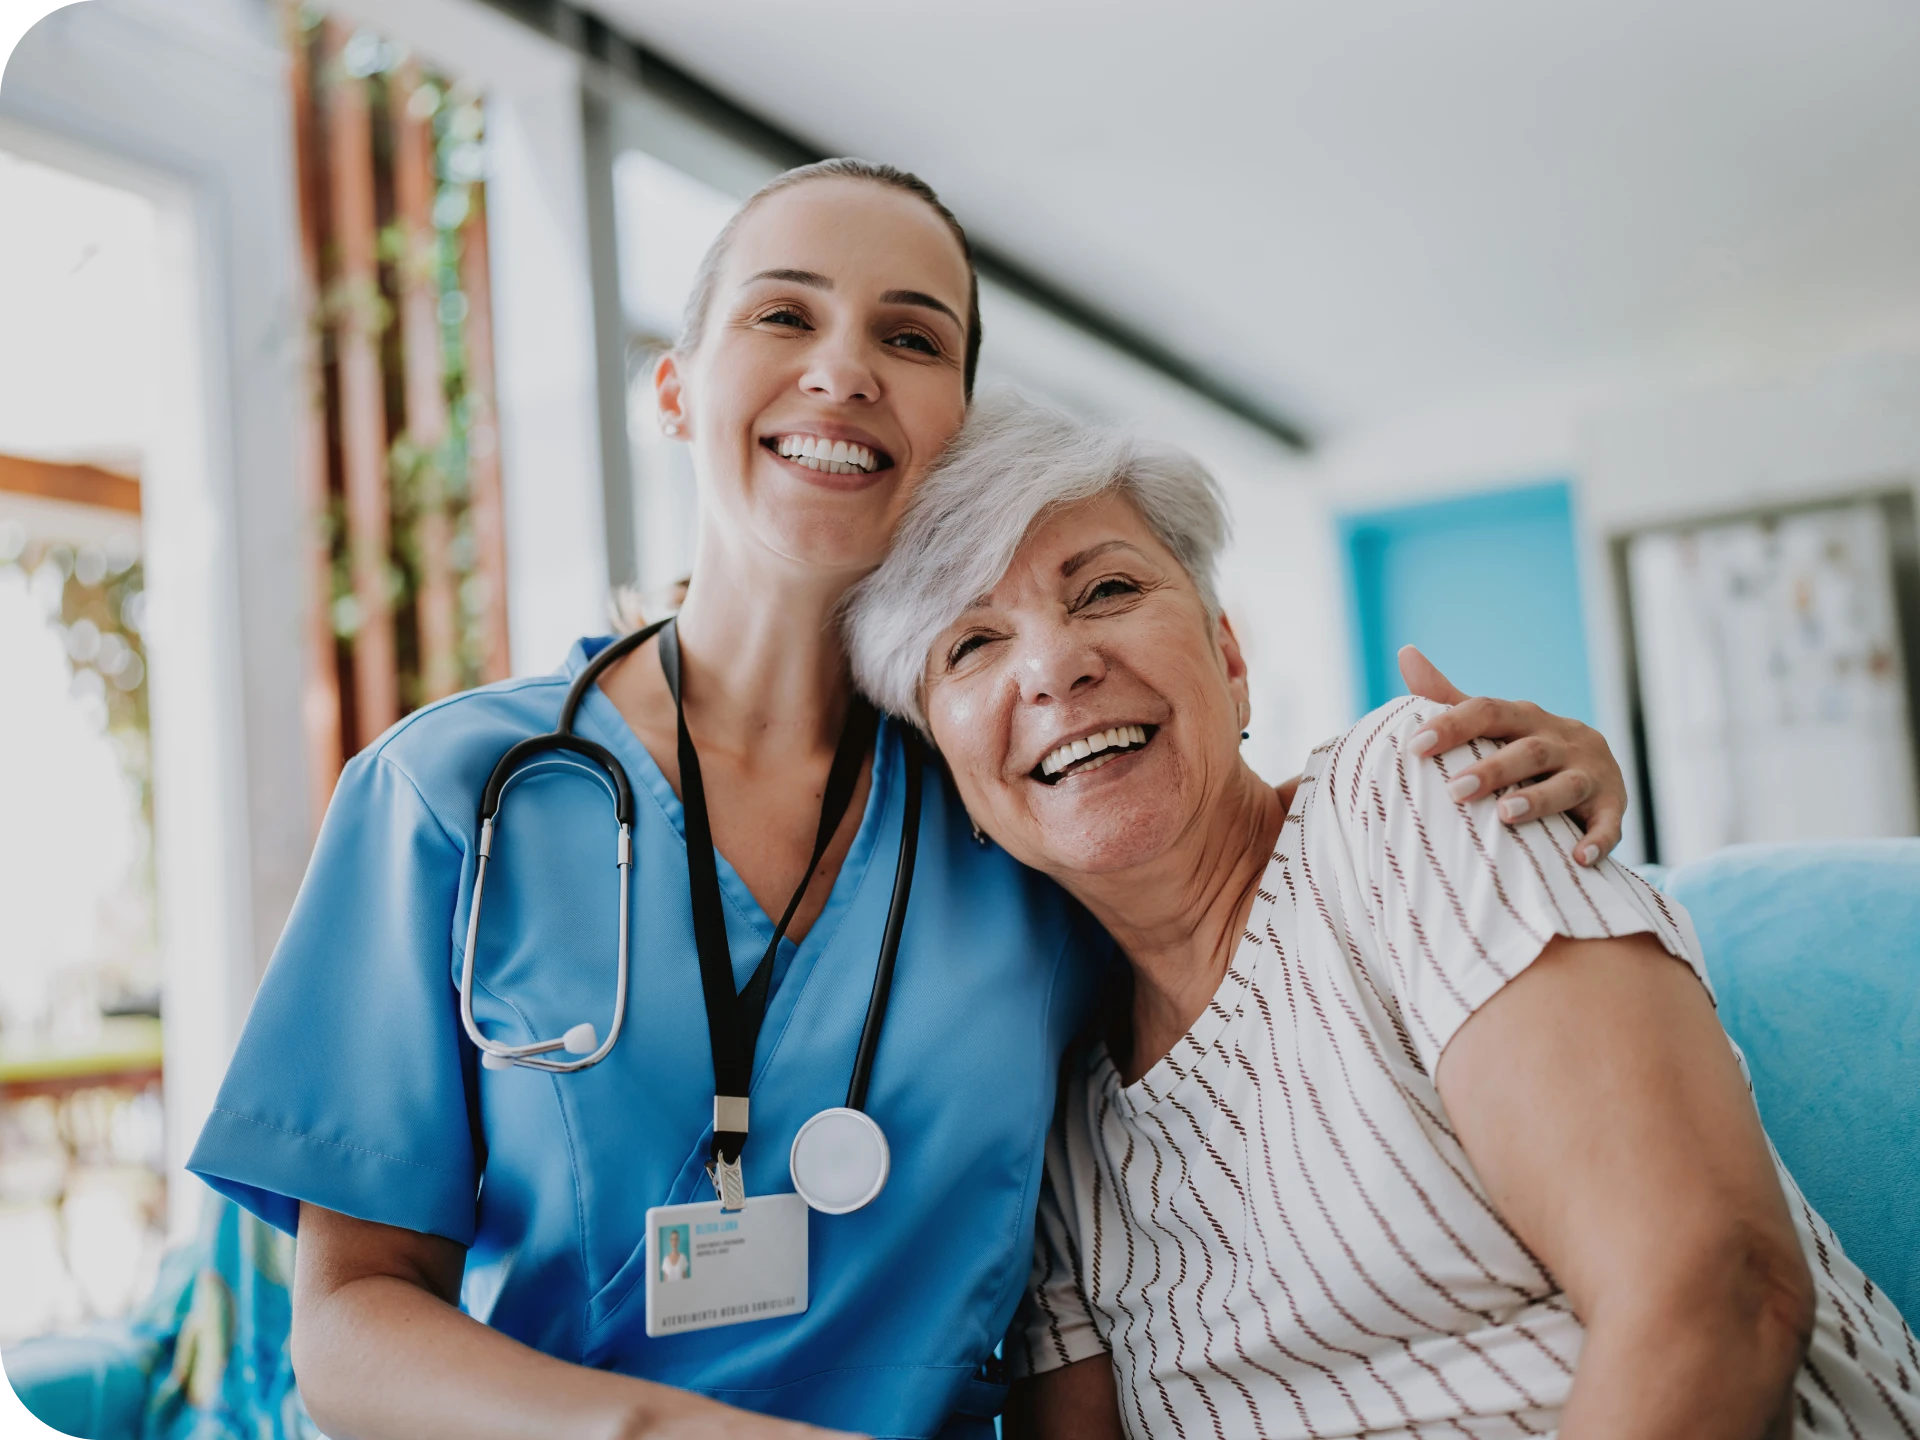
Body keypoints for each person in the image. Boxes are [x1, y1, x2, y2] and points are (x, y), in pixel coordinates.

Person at [187, 162, 1633, 1440]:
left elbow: (1244, 877)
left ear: (951, 425)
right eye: (783, 314)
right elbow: (350, 1329)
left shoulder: (1009, 798)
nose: (843, 367)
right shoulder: (454, 796)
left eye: (909, 335)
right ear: (676, 388)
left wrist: (1474, 783)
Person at [845, 392, 1920, 1440]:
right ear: (948, 773)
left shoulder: (1403, 798)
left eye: (1107, 590)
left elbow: (1716, 1295)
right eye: (972, 645)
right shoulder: (1051, 1110)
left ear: (1229, 659)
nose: (1055, 665)